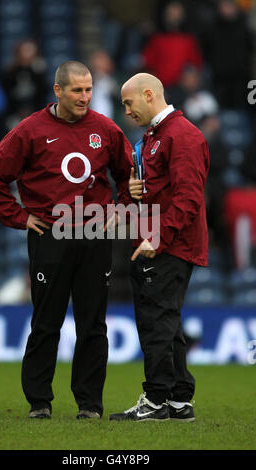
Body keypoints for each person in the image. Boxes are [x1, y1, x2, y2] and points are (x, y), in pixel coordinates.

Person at [0, 60, 133, 420]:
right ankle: (39, 402)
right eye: (77, 90)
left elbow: (129, 175)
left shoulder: (106, 130)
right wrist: (20, 217)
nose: (85, 97)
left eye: (89, 89)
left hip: (94, 233)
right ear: (58, 90)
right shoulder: (29, 130)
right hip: (50, 234)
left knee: (92, 323)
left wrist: (119, 209)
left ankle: (90, 405)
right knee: (46, 321)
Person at [109, 73, 209, 422]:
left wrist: (158, 237)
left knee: (156, 324)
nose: (126, 111)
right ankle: (180, 400)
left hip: (168, 246)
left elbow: (189, 197)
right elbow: (165, 190)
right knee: (167, 323)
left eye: (128, 103)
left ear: (148, 94)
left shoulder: (182, 136)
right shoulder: (155, 137)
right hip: (158, 242)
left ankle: (155, 401)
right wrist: (138, 193)